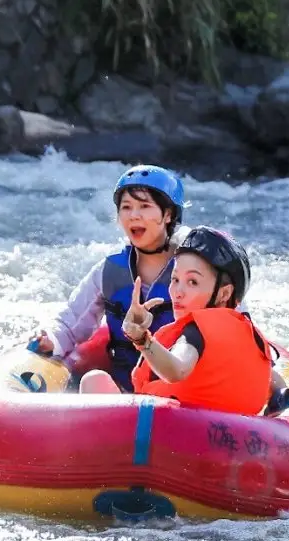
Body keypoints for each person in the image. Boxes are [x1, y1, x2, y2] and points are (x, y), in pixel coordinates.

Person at [80, 227, 276, 416]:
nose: (177, 292)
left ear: (224, 293)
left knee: (94, 380)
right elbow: (277, 386)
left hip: (172, 436)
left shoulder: (195, 333)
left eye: (192, 282)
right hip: (229, 438)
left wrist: (141, 339)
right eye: (174, 280)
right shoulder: (253, 339)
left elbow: (176, 370)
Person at [30, 165, 185, 392]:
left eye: (144, 206)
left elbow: (231, 325)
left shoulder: (196, 270)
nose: (134, 215)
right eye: (126, 207)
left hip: (184, 397)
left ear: (168, 214)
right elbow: (70, 322)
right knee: (93, 380)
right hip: (126, 394)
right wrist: (51, 339)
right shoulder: (109, 270)